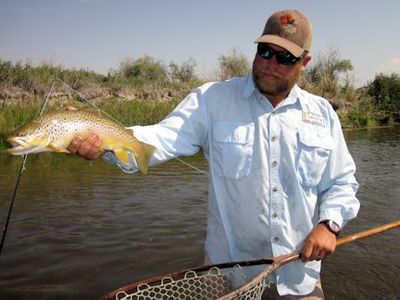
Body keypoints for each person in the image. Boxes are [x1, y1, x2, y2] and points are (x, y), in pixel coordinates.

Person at [68, 9, 359, 299]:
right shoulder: (212, 99)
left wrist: (328, 225)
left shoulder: (322, 114)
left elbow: (342, 182)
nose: (270, 63)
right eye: (264, 51)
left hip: (298, 277)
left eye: (285, 57)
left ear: (305, 62)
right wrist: (101, 138)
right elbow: (160, 137)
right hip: (227, 275)